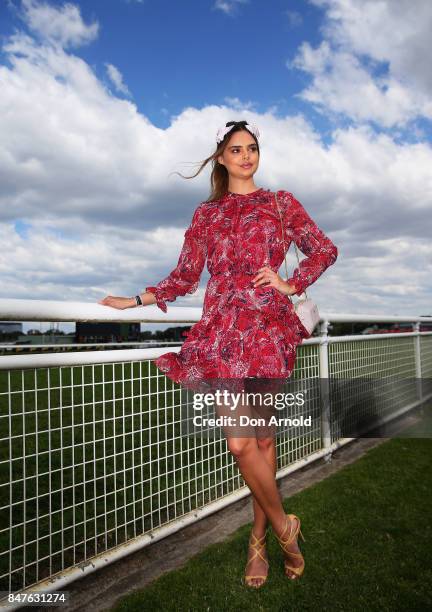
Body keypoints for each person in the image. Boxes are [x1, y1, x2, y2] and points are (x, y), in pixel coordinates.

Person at [98, 120, 338, 588]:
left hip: (268, 332)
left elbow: (323, 249)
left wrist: (292, 283)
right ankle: (287, 528)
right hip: (223, 334)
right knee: (239, 443)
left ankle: (257, 541)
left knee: (264, 443)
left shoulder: (280, 202)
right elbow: (186, 275)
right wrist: (136, 300)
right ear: (221, 157)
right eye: (236, 149)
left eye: (252, 148)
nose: (246, 156)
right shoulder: (206, 215)